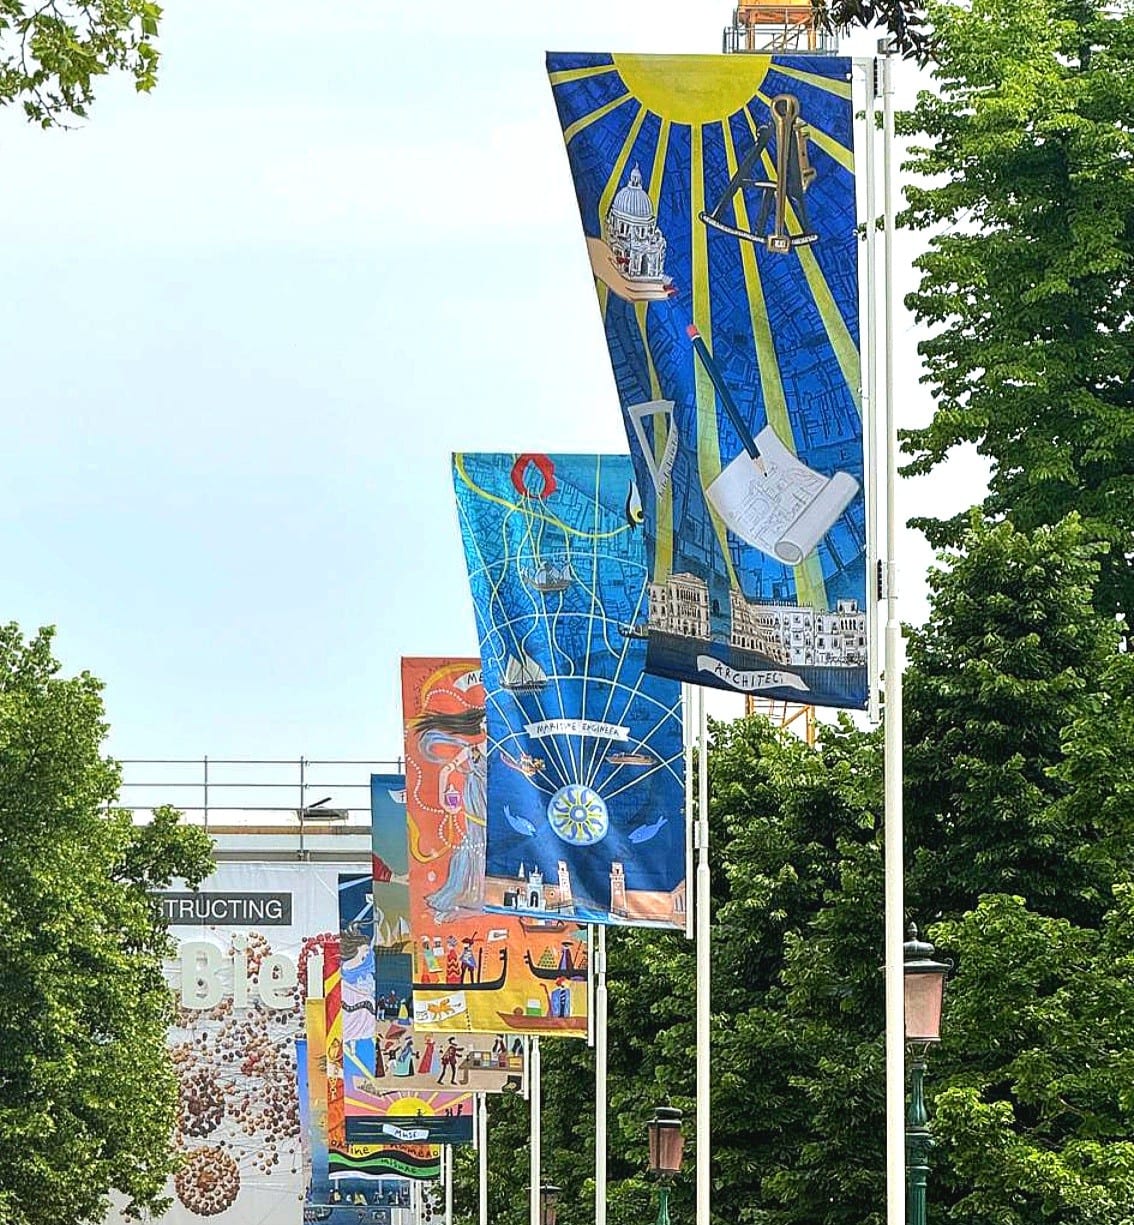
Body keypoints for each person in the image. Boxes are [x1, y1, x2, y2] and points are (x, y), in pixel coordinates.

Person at [409, 706, 488, 921]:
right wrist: (444, 796)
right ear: (480, 726)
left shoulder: (501, 750)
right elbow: (446, 770)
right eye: (485, 723)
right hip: (474, 800)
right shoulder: (471, 750)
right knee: (476, 842)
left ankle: (485, 892)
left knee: (488, 843)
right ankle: (470, 891)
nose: (487, 727)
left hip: (492, 802)